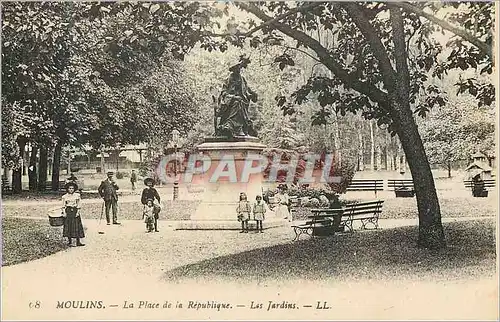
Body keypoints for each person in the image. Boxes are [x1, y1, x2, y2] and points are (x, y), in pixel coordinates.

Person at [216, 55, 258, 138]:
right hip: (230, 103)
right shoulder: (228, 79)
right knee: (237, 103)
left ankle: (238, 128)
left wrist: (253, 94)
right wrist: (234, 97)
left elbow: (247, 91)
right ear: (233, 70)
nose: (239, 70)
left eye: (239, 68)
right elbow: (224, 93)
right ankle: (232, 126)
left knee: (240, 102)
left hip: (242, 101)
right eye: (236, 68)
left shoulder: (243, 79)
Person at [61, 182, 85, 247]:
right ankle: (70, 242)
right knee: (69, 226)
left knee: (76, 226)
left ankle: (78, 241)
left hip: (75, 211)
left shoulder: (77, 195)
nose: (71, 190)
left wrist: (78, 212)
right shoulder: (64, 197)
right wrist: (64, 212)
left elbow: (79, 204)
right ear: (67, 189)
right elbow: (63, 206)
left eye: (72, 188)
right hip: (68, 211)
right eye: (69, 188)